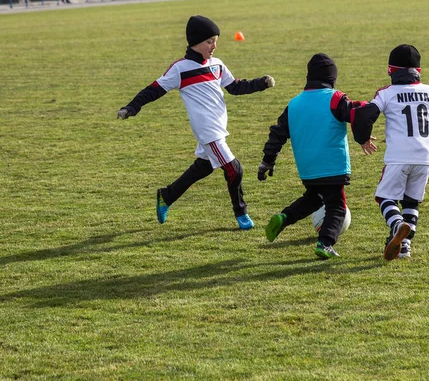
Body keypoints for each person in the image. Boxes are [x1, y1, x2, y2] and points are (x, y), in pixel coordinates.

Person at [117, 15, 275, 230]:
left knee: (204, 167)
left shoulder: (217, 65)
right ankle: (241, 212)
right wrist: (131, 107)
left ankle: (167, 195)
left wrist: (261, 83)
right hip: (207, 130)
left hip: (218, 127)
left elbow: (236, 86)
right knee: (234, 169)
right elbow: (154, 89)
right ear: (195, 42)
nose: (214, 45)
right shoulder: (180, 69)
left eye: (216, 40)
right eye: (209, 41)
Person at [258, 53, 376, 259]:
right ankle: (326, 243)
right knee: (337, 207)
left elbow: (278, 132)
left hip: (308, 168)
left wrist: (268, 160)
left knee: (315, 198)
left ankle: (284, 217)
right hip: (332, 165)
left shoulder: (294, 104)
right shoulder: (335, 98)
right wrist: (363, 137)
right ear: (332, 78)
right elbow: (357, 114)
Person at [352, 44, 429, 260]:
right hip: (426, 157)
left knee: (385, 198)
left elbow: (365, 115)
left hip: (398, 157)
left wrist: (362, 138)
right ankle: (404, 247)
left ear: (391, 70)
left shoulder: (388, 92)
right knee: (411, 202)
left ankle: (396, 226)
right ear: (418, 71)